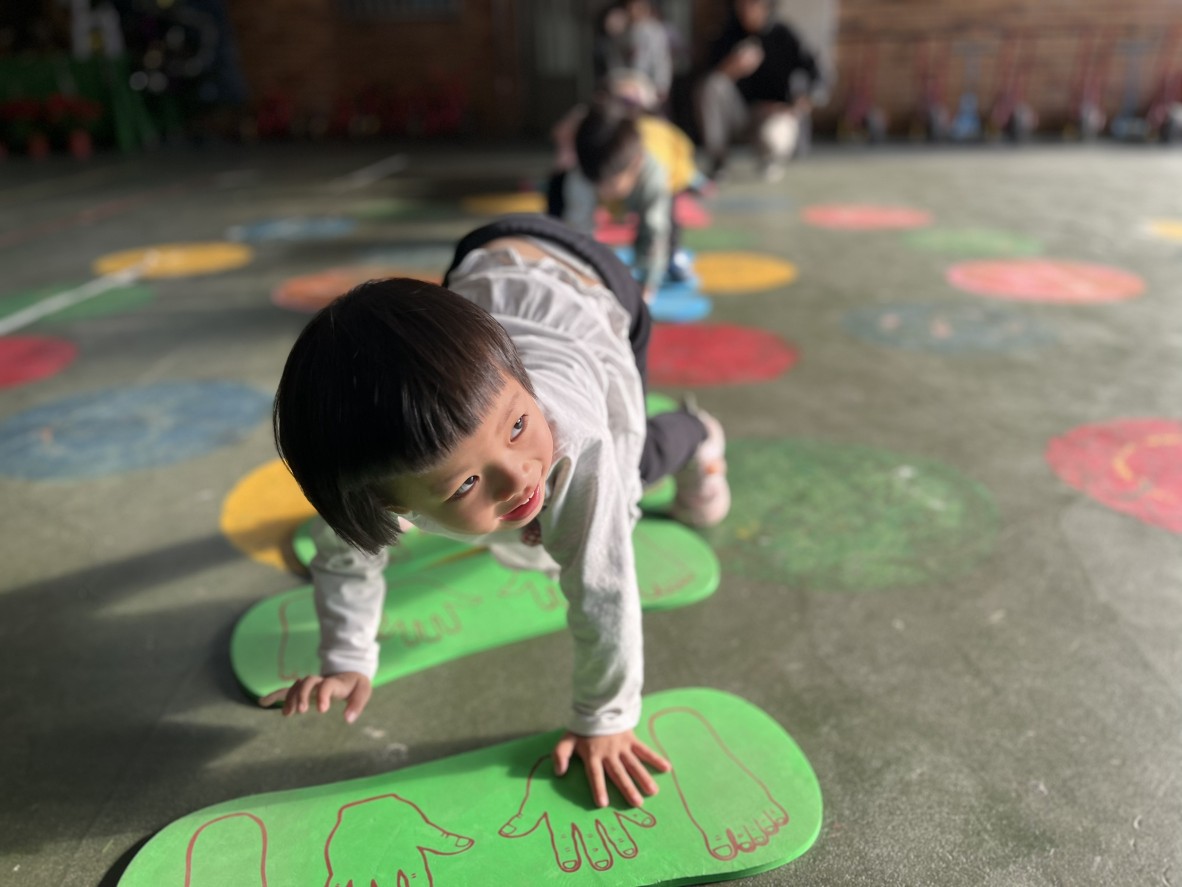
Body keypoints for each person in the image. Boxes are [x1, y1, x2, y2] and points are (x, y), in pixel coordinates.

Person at [261, 214, 731, 810]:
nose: (519, 476)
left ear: (518, 377)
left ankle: (698, 432)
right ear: (386, 505)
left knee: (629, 467)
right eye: (465, 484)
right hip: (486, 264)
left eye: (516, 427)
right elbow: (347, 556)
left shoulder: (575, 443)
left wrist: (606, 717)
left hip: (597, 289)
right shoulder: (365, 484)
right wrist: (348, 656)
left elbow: (603, 586)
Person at [551, 97, 701, 301]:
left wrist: (647, 285)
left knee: (664, 218)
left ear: (636, 164)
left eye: (611, 185)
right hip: (623, 154)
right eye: (597, 185)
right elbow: (579, 230)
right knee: (560, 199)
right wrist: (580, 275)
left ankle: (673, 255)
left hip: (671, 158)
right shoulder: (581, 175)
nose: (604, 192)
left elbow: (653, 232)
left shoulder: (654, 174)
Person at [697, 0, 822, 181]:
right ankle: (718, 161)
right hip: (739, 114)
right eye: (742, 4)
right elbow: (706, 82)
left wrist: (799, 104)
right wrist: (731, 69)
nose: (746, 9)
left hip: (774, 114)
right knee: (712, 84)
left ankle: (770, 160)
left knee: (775, 137)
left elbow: (819, 74)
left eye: (753, 4)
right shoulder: (729, 34)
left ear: (766, 6)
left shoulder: (784, 35)